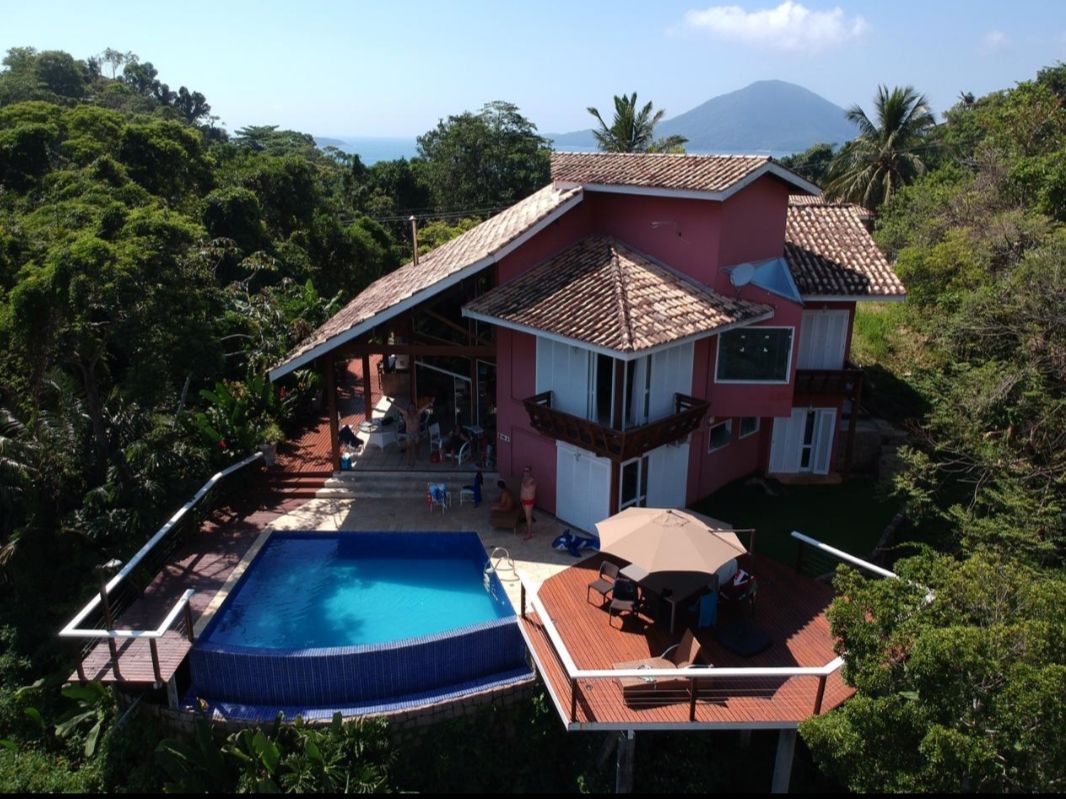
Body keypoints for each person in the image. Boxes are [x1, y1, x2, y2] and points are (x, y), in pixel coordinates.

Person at [401, 397, 434, 467]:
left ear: (414, 408)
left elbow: (424, 408)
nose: (412, 408)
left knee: (417, 446)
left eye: (413, 407)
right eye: (410, 407)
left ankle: (417, 457)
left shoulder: (418, 413)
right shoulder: (406, 414)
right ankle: (408, 461)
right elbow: (399, 408)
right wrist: (391, 402)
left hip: (416, 433)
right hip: (409, 434)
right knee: (408, 448)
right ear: (408, 408)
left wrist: (429, 403)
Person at [520, 465, 537, 540]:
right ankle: (528, 530)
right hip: (523, 500)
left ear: (530, 472)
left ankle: (529, 534)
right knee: (527, 517)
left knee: (528, 517)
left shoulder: (532, 480)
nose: (525, 472)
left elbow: (526, 485)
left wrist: (524, 479)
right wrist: (520, 498)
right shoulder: (523, 479)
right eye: (524, 471)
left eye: (527, 471)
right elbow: (522, 489)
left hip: (529, 501)